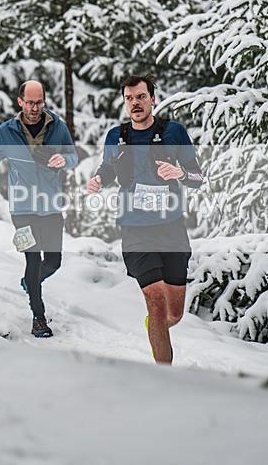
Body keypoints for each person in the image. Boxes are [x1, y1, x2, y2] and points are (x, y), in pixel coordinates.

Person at [86, 74, 203, 364]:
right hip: (135, 230)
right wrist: (99, 179)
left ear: (152, 99)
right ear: (124, 102)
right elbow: (108, 167)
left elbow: (198, 177)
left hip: (171, 229)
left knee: (173, 314)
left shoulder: (174, 131)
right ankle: (163, 375)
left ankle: (155, 326)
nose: (135, 103)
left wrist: (180, 174)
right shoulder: (117, 136)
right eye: (129, 98)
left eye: (140, 97)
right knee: (156, 302)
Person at [0, 80, 78, 338]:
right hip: (22, 208)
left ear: (44, 101)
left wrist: (64, 159)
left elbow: (73, 156)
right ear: (20, 101)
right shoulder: (7, 131)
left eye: (39, 102)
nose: (34, 107)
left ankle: (30, 282)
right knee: (33, 258)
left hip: (51, 206)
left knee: (53, 261)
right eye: (29, 102)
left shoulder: (58, 127)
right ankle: (38, 318)